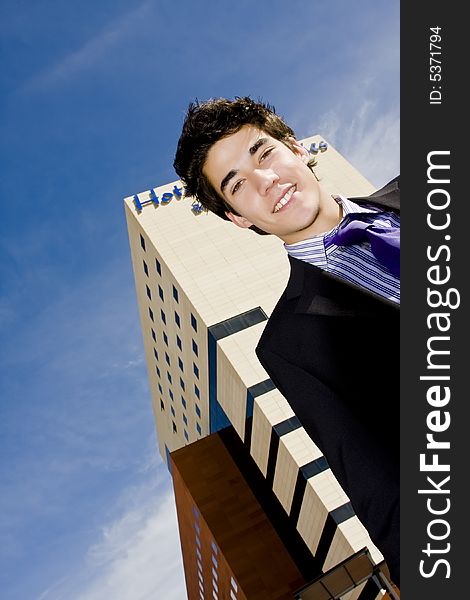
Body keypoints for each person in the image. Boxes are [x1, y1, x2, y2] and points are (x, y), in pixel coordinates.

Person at [173, 97, 400, 586]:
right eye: (237, 185)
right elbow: (383, 494)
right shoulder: (289, 347)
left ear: (295, 147)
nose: (265, 180)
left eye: (263, 153)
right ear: (237, 217)